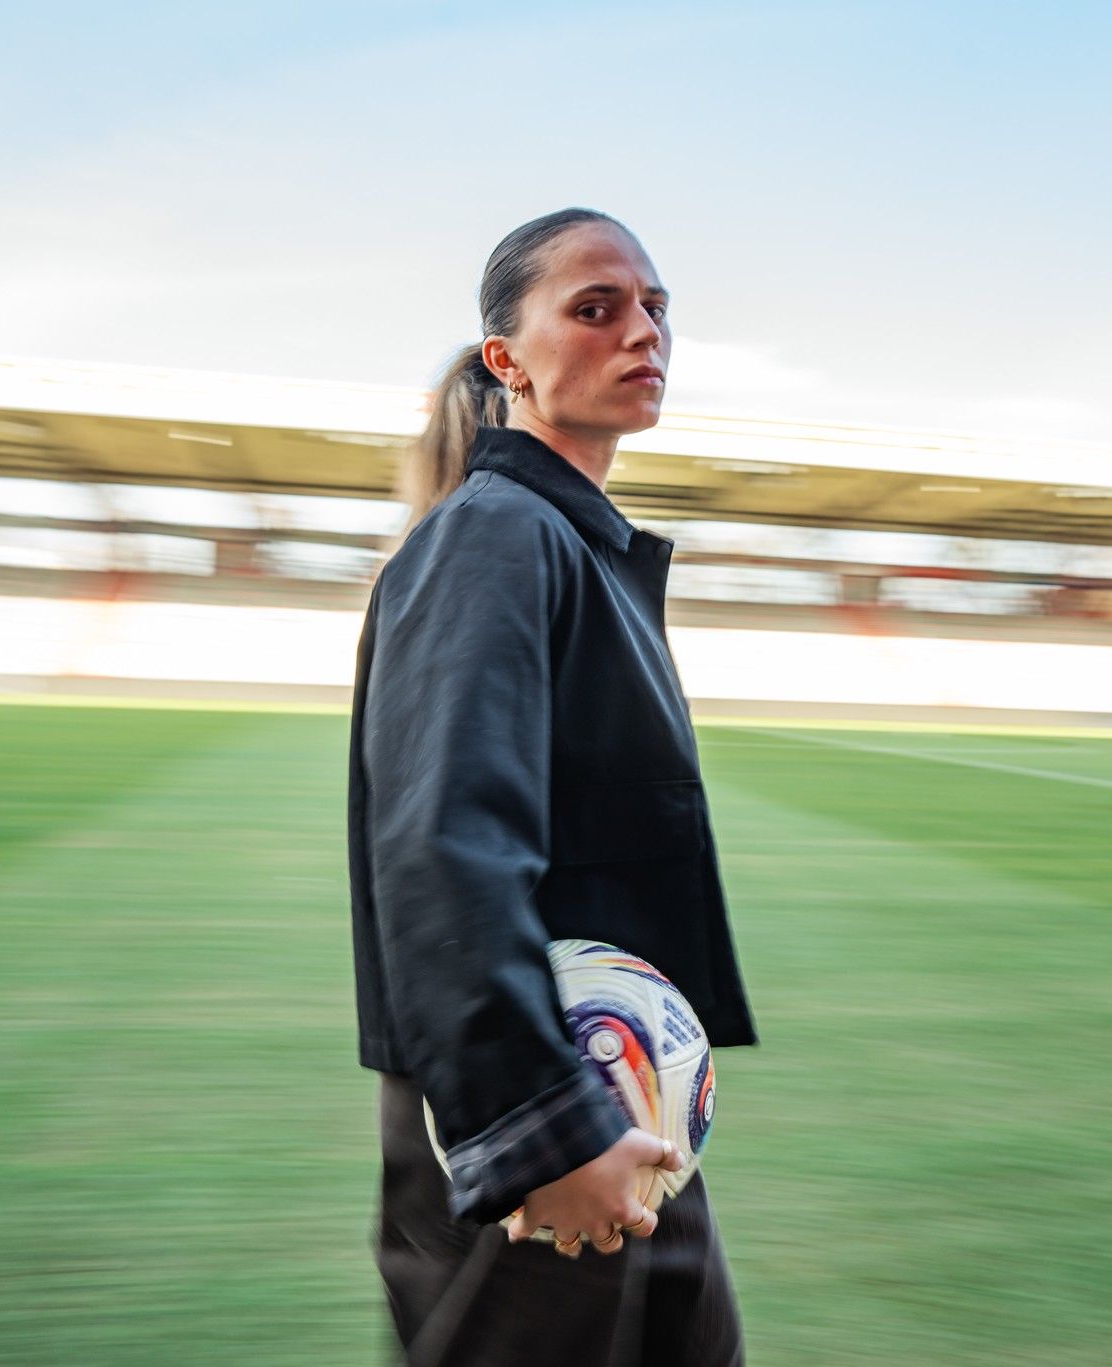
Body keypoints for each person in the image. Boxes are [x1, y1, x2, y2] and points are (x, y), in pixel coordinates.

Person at [345, 207, 759, 1365]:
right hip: (538, 1127)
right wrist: (536, 1129)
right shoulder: (496, 535)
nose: (643, 331)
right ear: (506, 360)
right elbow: (439, 846)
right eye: (595, 307)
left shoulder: (570, 542)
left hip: (620, 1112)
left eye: (656, 307)